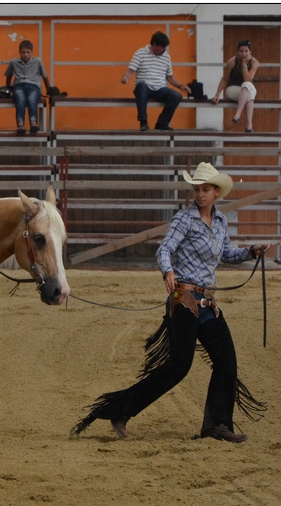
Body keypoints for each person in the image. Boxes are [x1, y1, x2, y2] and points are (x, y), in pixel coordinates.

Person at [71, 163, 269, 442]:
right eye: (197, 189)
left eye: (205, 189)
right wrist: (168, 271)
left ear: (216, 192)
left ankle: (217, 426)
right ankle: (121, 410)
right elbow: (165, 249)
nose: (200, 194)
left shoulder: (221, 223)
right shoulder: (184, 219)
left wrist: (251, 251)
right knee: (178, 365)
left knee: (226, 362)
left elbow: (226, 254)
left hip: (206, 302)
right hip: (184, 299)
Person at [120, 31, 192, 132]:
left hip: (160, 89)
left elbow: (170, 77)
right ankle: (143, 122)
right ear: (154, 45)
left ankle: (162, 123)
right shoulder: (140, 53)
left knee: (176, 96)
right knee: (141, 86)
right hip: (144, 87)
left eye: (165, 47)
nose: (164, 50)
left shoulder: (166, 57)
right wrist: (125, 78)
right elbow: (130, 70)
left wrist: (180, 86)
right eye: (162, 47)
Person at [210, 39, 260, 132]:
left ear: (250, 52)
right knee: (250, 96)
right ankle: (249, 126)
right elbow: (225, 79)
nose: (243, 54)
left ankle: (238, 115)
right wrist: (217, 94)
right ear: (237, 52)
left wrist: (244, 64)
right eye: (241, 51)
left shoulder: (254, 62)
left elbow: (248, 79)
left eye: (246, 51)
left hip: (248, 89)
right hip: (233, 88)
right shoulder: (232, 62)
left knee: (246, 86)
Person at [4, 39, 53, 135]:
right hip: (19, 86)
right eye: (23, 52)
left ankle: (33, 123)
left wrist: (49, 90)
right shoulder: (14, 62)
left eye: (28, 52)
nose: (25, 55)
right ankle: (20, 124)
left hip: (33, 86)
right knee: (20, 98)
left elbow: (45, 76)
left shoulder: (37, 61)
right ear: (19, 52)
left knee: (31, 99)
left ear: (31, 52)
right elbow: (8, 76)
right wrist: (8, 88)